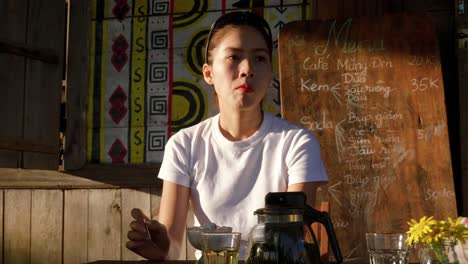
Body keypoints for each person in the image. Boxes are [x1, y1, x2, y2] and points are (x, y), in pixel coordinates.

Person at [126, 11, 328, 261]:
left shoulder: (297, 143)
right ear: (208, 73)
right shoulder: (184, 145)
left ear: (270, 72)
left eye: (260, 58)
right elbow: (174, 246)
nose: (247, 69)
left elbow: (291, 239)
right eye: (234, 57)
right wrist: (162, 249)